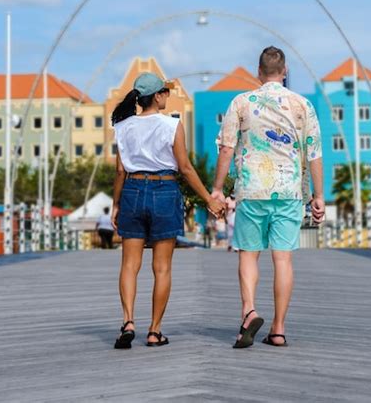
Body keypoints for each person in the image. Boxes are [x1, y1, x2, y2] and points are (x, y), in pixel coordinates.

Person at [212, 46, 325, 348]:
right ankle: (278, 329)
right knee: (283, 259)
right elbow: (313, 153)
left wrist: (218, 190)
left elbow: (225, 148)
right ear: (284, 71)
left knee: (249, 254)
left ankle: (249, 311)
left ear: (258, 73)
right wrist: (319, 195)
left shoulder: (241, 102)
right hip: (288, 192)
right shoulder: (302, 105)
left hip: (251, 190)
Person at [111, 72, 224, 349]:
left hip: (133, 190)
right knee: (161, 268)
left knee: (129, 265)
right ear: (158, 95)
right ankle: (154, 331)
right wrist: (209, 199)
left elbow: (120, 171)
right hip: (164, 190)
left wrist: (116, 204)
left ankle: (128, 322)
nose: (168, 96)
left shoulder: (123, 126)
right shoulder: (172, 125)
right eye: (166, 92)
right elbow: (184, 167)